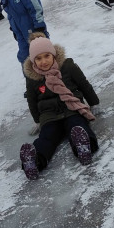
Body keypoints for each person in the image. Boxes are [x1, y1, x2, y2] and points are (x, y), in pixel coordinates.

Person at [19, 34, 99, 180]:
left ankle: (84, 147)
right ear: (33, 61)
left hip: (72, 108)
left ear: (53, 54)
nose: (43, 61)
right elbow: (31, 99)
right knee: (47, 137)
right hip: (48, 115)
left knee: (78, 125)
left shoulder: (67, 67)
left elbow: (83, 84)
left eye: (46, 56)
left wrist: (93, 103)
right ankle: (35, 161)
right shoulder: (32, 77)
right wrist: (37, 120)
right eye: (38, 58)